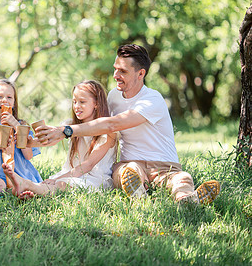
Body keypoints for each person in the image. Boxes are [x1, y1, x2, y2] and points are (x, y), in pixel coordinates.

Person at [35, 44, 220, 204]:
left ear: (141, 74)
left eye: (123, 71)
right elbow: (99, 125)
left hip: (162, 165)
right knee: (125, 173)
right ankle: (138, 196)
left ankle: (187, 198)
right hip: (130, 164)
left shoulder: (152, 99)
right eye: (116, 68)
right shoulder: (113, 96)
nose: (116, 75)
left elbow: (112, 125)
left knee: (180, 178)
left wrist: (67, 131)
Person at [3, 80, 117, 199]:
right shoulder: (71, 126)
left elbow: (88, 165)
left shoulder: (108, 132)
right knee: (49, 183)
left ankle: (27, 185)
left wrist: (58, 179)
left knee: (61, 184)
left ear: (96, 103)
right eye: (74, 102)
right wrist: (29, 142)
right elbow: (50, 140)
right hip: (71, 173)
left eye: (82, 102)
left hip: (95, 179)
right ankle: (31, 191)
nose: (76, 106)